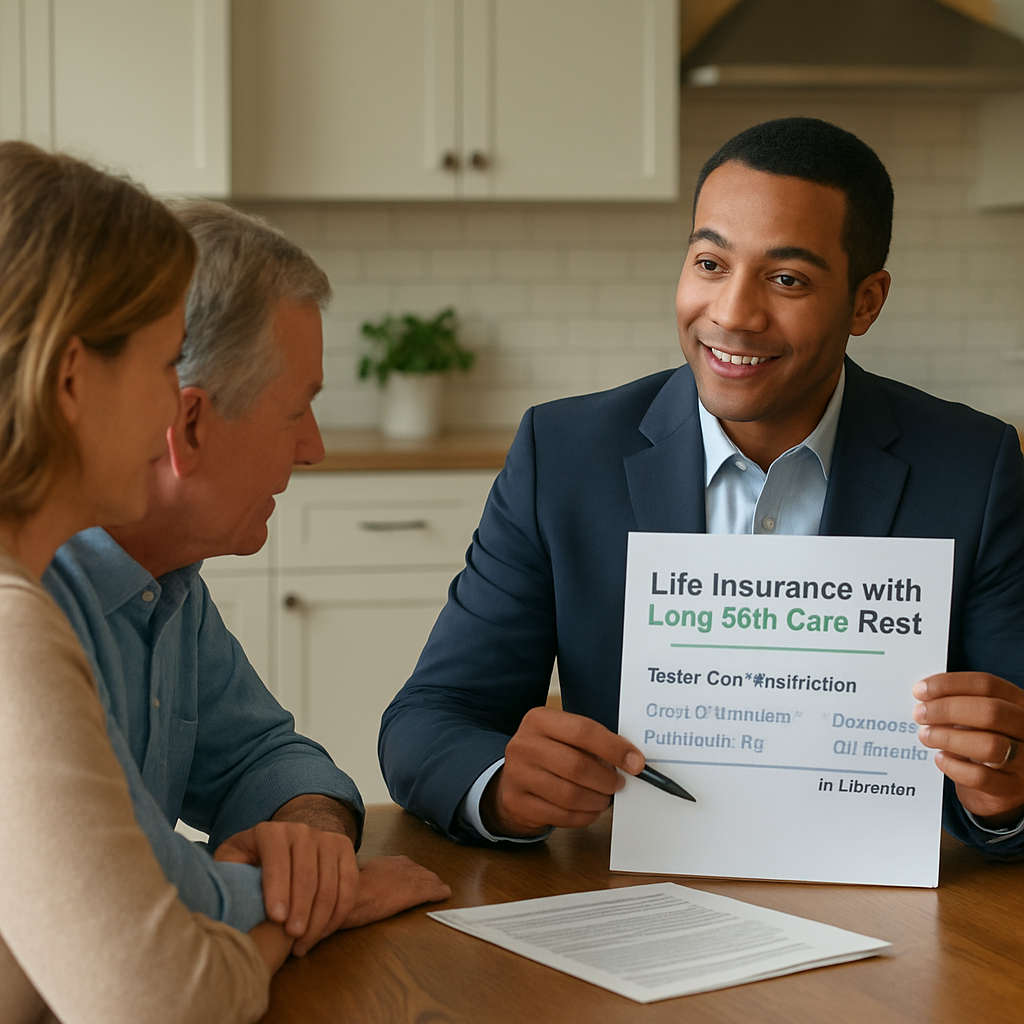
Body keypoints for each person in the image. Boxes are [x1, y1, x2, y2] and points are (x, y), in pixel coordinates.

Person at [379, 117, 1024, 857]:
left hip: (890, 913)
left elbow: (1010, 759)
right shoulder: (561, 456)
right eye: (711, 264)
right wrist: (501, 786)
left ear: (865, 302)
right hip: (644, 903)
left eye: (787, 279)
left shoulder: (974, 467)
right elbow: (430, 718)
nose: (732, 314)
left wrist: (1006, 793)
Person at [44, 200, 450, 959]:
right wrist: (325, 894)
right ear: (189, 425)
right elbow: (128, 900)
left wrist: (311, 839)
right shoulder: (35, 606)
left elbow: (267, 757)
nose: (315, 449)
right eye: (296, 410)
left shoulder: (168, 583)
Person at [0, 141, 281, 1023]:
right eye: (165, 366)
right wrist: (286, 922)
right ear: (74, 378)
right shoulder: (14, 628)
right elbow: (165, 1004)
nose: (175, 411)